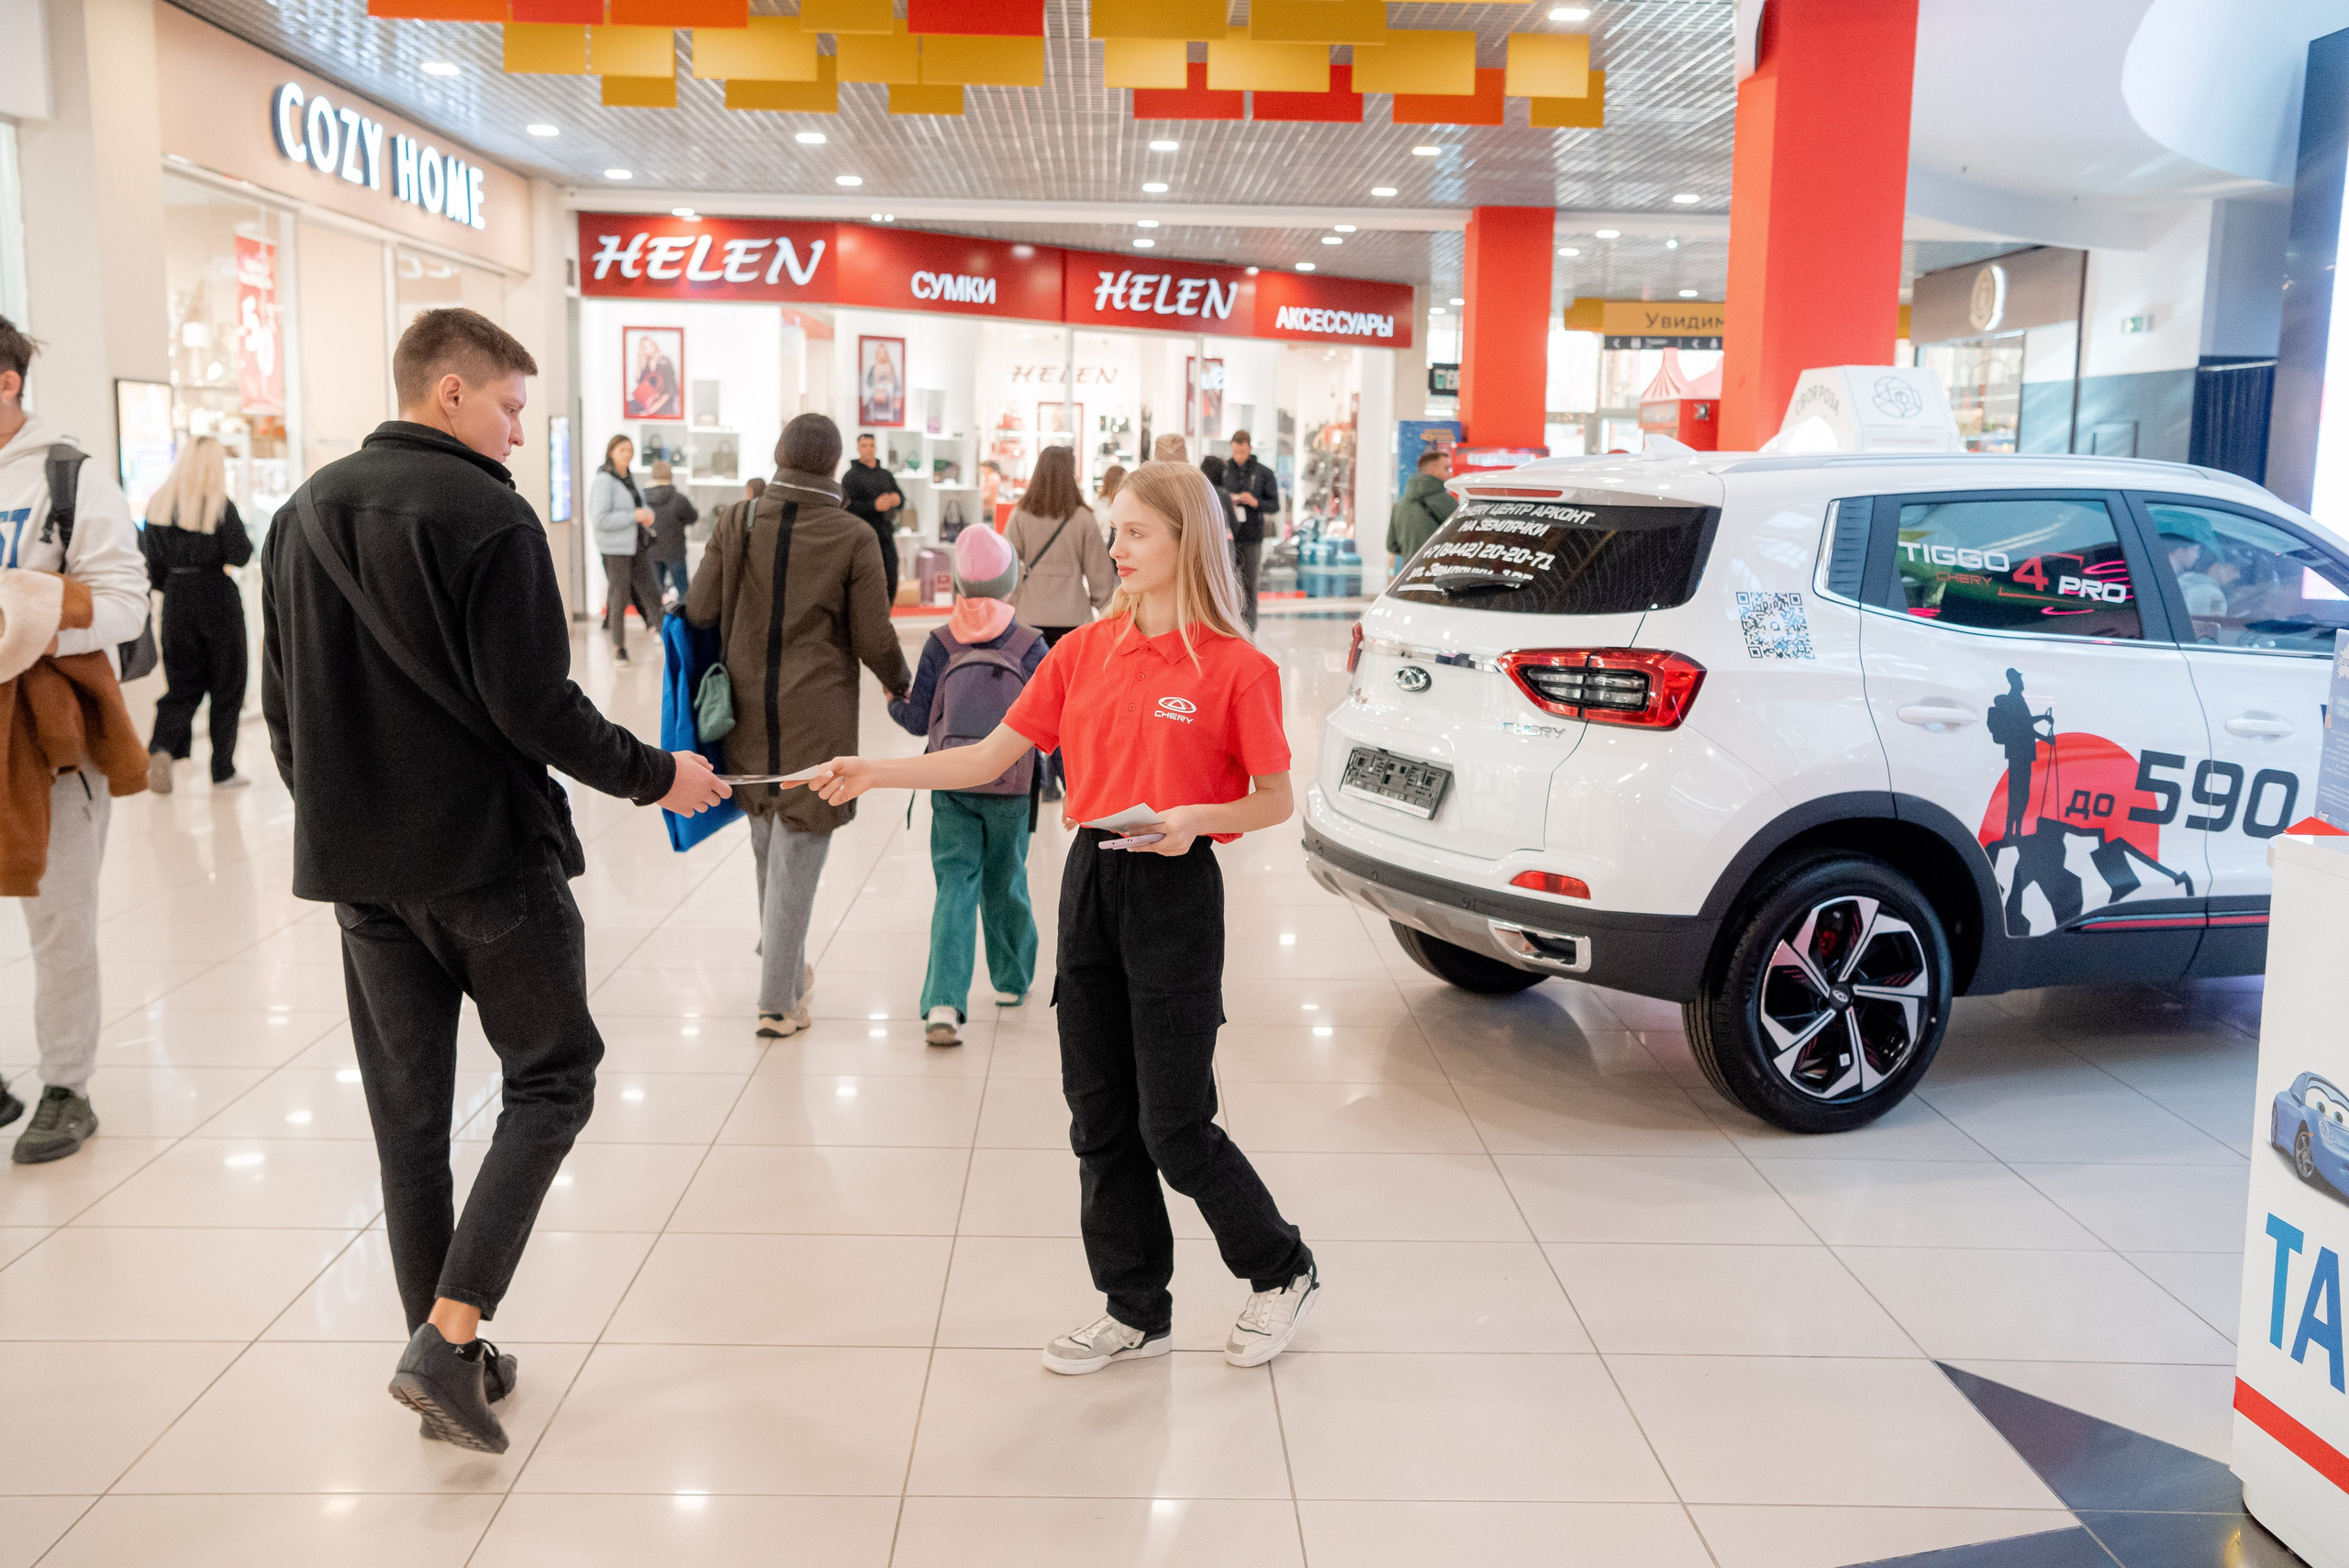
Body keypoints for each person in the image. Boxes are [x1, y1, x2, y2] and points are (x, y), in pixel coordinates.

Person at [260, 306, 729, 1453]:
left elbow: (283, 712)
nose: (522, 432)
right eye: (513, 406)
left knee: (408, 1125)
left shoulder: (301, 514)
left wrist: (340, 818)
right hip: (484, 863)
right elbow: (535, 706)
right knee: (555, 1076)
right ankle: (450, 1331)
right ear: (452, 392)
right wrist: (655, 774)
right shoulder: (489, 517)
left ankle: (447, 1357)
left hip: (361, 876)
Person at [800, 461, 1319, 1376]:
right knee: (1098, 1115)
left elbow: (1274, 797)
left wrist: (1196, 817)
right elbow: (987, 755)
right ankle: (1134, 1306)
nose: (1114, 548)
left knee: (1176, 1124)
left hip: (1174, 887)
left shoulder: (1238, 667)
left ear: (1185, 541)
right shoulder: (1082, 651)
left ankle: (1280, 1266)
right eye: (1113, 529)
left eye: (1134, 533)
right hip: (1091, 882)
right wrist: (878, 770)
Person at [686, 414, 909, 1039]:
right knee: (799, 850)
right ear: (835, 464)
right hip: (818, 716)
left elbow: (700, 607)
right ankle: (777, 1000)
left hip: (744, 711)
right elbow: (873, 635)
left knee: (768, 841)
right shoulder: (854, 535)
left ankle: (782, 970)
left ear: (780, 453)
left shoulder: (738, 518)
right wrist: (901, 680)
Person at [0, 315, 150, 1164]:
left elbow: (127, 602)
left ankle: (67, 1086)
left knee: (59, 918)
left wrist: (31, 618)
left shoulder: (68, 474)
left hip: (48, 738)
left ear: (8, 381)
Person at [886, 526, 1046, 1047]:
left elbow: (916, 720)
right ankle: (1012, 981)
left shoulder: (941, 641)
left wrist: (893, 697)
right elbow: (1053, 722)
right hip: (1012, 785)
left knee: (956, 884)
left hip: (950, 782)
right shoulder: (1028, 644)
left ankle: (942, 1004)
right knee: (1007, 880)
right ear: (1010, 583)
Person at [140, 435, 255, 793]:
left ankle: (160, 748)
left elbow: (151, 566)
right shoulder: (220, 506)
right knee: (227, 685)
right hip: (217, 598)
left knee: (182, 684)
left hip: (176, 600)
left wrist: (174, 584)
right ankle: (222, 769)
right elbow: (240, 554)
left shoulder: (158, 506)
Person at [1003, 444, 1116, 804]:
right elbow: (1100, 578)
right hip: (1073, 624)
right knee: (1070, 707)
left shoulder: (1020, 515)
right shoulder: (1081, 519)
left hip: (1028, 623)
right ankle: (1069, 779)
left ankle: (1040, 778)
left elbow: (1006, 571)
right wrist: (1106, 607)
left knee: (1032, 705)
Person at [587, 435, 661, 666]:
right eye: (622, 450)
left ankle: (669, 639)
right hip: (615, 549)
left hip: (636, 544)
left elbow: (640, 504)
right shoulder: (604, 480)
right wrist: (633, 516)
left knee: (652, 592)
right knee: (619, 598)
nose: (627, 454)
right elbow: (600, 518)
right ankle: (619, 647)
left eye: (630, 450)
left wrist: (647, 513)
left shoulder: (630, 478)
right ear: (611, 452)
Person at [839, 433, 905, 606]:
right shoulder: (850, 477)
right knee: (867, 579)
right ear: (858, 448)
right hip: (862, 538)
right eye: (864, 446)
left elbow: (901, 497)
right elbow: (846, 507)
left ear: (875, 447)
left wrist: (897, 500)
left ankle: (886, 614)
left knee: (891, 575)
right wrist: (873, 505)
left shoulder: (885, 475)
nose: (868, 449)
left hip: (885, 534)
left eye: (871, 445)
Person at [1223, 430, 1279, 630]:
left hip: (1253, 536)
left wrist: (1255, 502)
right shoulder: (1224, 470)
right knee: (1226, 584)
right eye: (1236, 452)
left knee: (1250, 584)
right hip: (1228, 536)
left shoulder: (1264, 473)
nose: (1239, 456)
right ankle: (1229, 625)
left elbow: (1275, 505)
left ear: (1250, 448)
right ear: (1231, 447)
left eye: (1243, 452)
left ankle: (1250, 629)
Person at [1388, 447, 1456, 573]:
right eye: (1447, 468)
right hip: (1439, 573)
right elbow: (1461, 538)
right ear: (1431, 470)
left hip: (1408, 575)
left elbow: (1392, 545)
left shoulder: (1400, 505)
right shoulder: (1446, 502)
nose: (1450, 473)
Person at [641, 459, 697, 607]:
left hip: (651, 550)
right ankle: (684, 624)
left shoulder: (643, 498)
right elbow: (692, 518)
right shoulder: (679, 499)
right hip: (675, 550)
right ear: (670, 475)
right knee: (683, 590)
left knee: (656, 592)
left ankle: (659, 625)